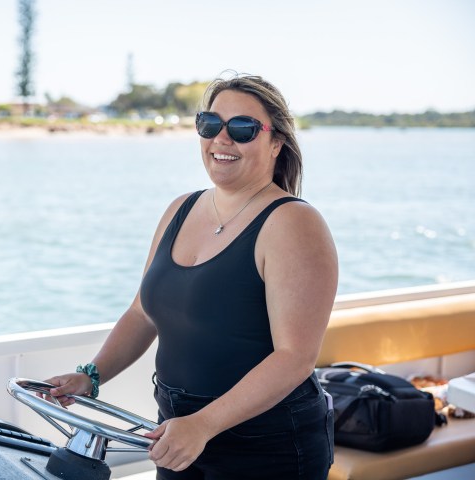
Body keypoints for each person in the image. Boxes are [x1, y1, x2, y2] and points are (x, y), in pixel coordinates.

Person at [45, 73, 338, 479]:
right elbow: (142, 314)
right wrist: (90, 377)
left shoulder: (293, 223)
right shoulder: (180, 209)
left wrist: (204, 423)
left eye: (242, 128)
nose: (222, 138)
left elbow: (295, 358)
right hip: (176, 432)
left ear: (276, 143)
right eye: (210, 124)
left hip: (267, 445)